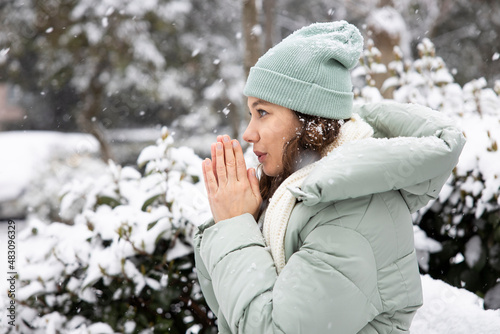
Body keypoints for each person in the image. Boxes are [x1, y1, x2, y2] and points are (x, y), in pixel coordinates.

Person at [194, 21, 466, 333]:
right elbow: (235, 311)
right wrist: (240, 222)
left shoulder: (349, 215)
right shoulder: (297, 194)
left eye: (263, 113)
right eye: (251, 114)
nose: (248, 133)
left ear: (308, 121)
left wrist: (234, 228)